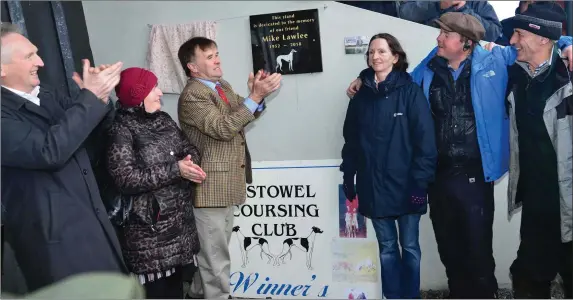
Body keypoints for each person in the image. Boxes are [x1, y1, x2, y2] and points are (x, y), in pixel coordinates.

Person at [346, 13, 573, 299]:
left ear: (465, 42)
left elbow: (544, 46)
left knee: (477, 250)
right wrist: (364, 77)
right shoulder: (428, 69)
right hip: (439, 176)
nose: (438, 39)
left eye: (445, 34)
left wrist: (567, 43)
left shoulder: (495, 60)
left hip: (476, 174)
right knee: (449, 249)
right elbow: (394, 80)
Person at [1, 22, 127, 292]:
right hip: (56, 246)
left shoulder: (46, 97)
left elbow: (86, 138)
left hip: (92, 227)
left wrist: (100, 100)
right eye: (28, 56)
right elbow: (50, 151)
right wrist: (90, 98)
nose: (41, 61)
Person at [176, 37, 281, 299]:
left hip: (225, 184)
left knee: (213, 254)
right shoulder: (193, 95)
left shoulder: (221, 86)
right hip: (209, 186)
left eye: (217, 54)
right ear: (193, 67)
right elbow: (223, 128)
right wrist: (254, 97)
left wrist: (257, 95)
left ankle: (197, 294)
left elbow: (244, 113)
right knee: (215, 258)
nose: (217, 60)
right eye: (209, 56)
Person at [341, 33, 437, 299]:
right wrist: (349, 175)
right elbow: (351, 139)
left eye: (382, 52)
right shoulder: (360, 97)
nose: (375, 57)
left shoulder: (411, 92)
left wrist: (420, 183)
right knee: (386, 248)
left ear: (395, 57)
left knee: (410, 247)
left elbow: (426, 143)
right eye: (371, 52)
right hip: (373, 185)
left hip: (408, 186)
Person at [106, 67, 206, 299]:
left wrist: (189, 163)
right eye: (153, 88)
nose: (160, 92)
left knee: (176, 289)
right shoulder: (121, 129)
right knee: (158, 293)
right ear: (138, 95)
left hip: (179, 225)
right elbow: (125, 179)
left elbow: (188, 147)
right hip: (150, 233)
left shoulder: (164, 119)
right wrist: (175, 169)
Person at [500, 2, 572, 297]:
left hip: (569, 204)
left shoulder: (568, 78)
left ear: (543, 38)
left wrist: (568, 44)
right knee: (529, 276)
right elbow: (460, 43)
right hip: (536, 204)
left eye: (519, 33)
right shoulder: (514, 73)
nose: (512, 41)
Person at [398, 0, 502, 42]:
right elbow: (403, 12)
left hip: (459, 64)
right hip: (419, 48)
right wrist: (438, 5)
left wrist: (464, 9)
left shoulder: (479, 3)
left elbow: (493, 33)